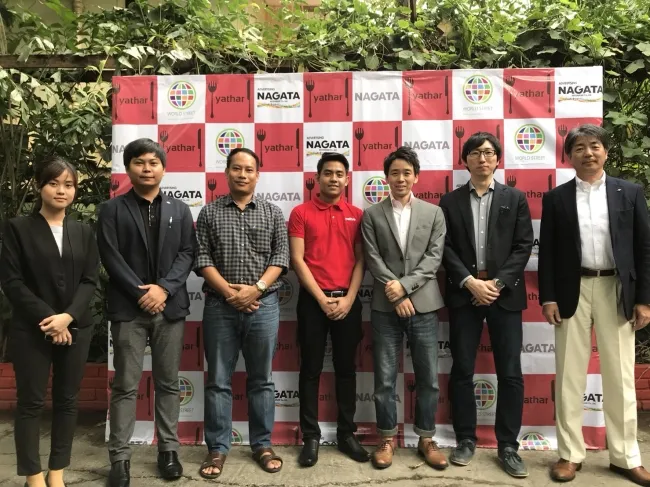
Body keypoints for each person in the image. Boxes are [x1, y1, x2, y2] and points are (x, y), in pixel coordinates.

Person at [539, 124, 650, 485]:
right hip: (571, 290)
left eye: (594, 146)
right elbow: (548, 253)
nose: (588, 153)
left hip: (616, 289)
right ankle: (570, 454)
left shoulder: (629, 193)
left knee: (620, 377)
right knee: (569, 376)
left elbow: (644, 248)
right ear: (569, 157)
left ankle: (625, 456)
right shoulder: (556, 198)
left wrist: (644, 299)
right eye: (579, 148)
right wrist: (548, 296)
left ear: (605, 152)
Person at [98, 138, 195, 487]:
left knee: (168, 383)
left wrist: (163, 289)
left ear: (164, 169)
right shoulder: (112, 210)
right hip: (129, 309)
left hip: (169, 308)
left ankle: (168, 451)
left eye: (154, 163)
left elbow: (188, 253)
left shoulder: (180, 209)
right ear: (128, 168)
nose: (147, 168)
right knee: (126, 385)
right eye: (139, 162)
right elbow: (110, 257)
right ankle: (120, 459)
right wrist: (143, 293)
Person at [439, 132, 533, 478]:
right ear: (465, 159)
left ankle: (508, 445)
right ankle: (465, 439)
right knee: (462, 369)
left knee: (510, 372)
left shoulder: (515, 198)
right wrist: (470, 282)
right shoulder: (449, 201)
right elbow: (444, 247)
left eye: (489, 153)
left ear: (497, 159)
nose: (482, 158)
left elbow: (523, 245)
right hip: (464, 294)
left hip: (503, 295)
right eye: (476, 153)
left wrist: (496, 283)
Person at [0, 157, 99, 487]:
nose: (61, 190)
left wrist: (68, 317)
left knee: (67, 401)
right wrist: (50, 319)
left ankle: (57, 472)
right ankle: (33, 476)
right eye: (53, 183)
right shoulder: (17, 228)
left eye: (68, 185)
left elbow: (89, 280)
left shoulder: (83, 231)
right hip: (32, 329)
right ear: (39, 186)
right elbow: (12, 282)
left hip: (76, 327)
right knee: (30, 402)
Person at [195, 147, 289, 479]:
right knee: (218, 380)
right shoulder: (209, 213)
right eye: (237, 168)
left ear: (257, 175)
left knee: (261, 380)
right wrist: (231, 293)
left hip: (264, 306)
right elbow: (202, 259)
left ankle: (262, 444)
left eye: (249, 169)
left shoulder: (273, 213)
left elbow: (281, 257)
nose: (243, 174)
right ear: (227, 173)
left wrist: (255, 289)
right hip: (219, 307)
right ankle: (217, 448)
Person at [361, 146, 448, 470]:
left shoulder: (433, 213)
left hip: (424, 305)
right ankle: (386, 438)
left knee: (428, 378)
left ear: (416, 177)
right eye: (394, 173)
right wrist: (396, 295)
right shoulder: (372, 215)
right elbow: (373, 259)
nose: (400, 178)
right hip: (385, 307)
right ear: (386, 177)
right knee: (384, 378)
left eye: (406, 173)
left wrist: (406, 287)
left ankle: (426, 438)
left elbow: (433, 259)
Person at [288, 152, 369, 467]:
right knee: (310, 369)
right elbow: (297, 259)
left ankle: (347, 434)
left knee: (346, 370)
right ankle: (310, 436)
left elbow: (361, 260)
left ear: (347, 179)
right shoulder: (300, 212)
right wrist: (322, 299)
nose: (333, 178)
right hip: (312, 302)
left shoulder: (357, 214)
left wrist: (348, 299)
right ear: (317, 178)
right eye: (327, 173)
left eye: (339, 174)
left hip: (348, 301)